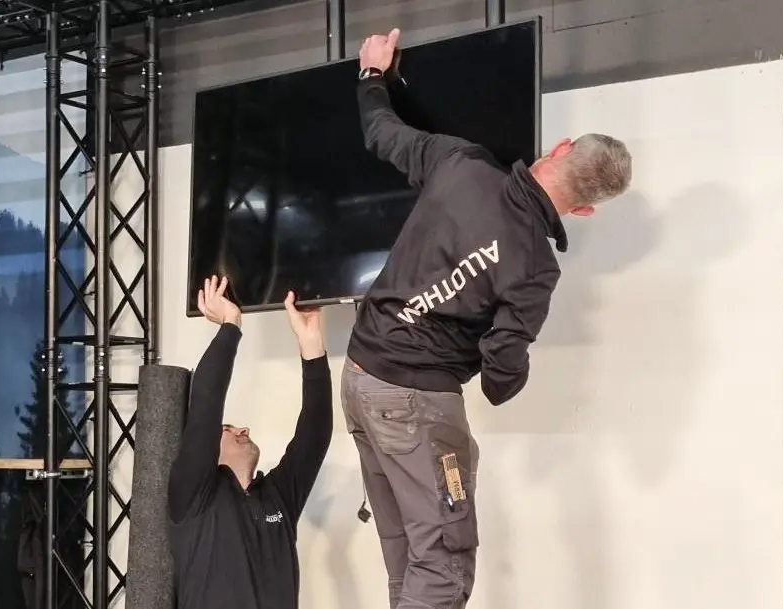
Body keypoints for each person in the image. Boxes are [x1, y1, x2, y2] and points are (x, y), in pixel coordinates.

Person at [341, 28, 633, 609]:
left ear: (560, 149)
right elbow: (501, 379)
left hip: (358, 378)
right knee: (443, 569)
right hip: (417, 400)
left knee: (410, 560)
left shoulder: (462, 163)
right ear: (583, 210)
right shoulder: (536, 269)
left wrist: (373, 74)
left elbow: (381, 132)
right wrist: (504, 359)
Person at [168, 276, 332, 609]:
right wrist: (231, 324)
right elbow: (206, 403)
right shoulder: (193, 495)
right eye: (228, 428)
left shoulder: (278, 497)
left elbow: (314, 434)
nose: (243, 429)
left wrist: (312, 347)